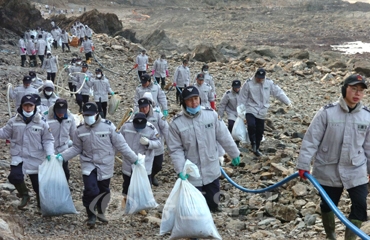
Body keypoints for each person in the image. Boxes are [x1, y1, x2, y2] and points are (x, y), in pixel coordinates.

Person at [297, 74, 370, 240]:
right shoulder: (327, 112)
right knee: (329, 205)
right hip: (328, 169)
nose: (357, 93)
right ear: (345, 89)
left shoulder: (367, 116)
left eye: (361, 90)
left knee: (360, 206)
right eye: (353, 89)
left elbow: (369, 147)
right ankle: (331, 236)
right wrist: (303, 164)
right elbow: (311, 139)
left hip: (356, 169)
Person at [56, 102, 138, 228]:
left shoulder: (109, 127)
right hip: (89, 164)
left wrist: (134, 159)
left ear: (97, 114)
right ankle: (91, 214)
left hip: (105, 164)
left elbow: (121, 145)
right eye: (85, 114)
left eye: (90, 114)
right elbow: (76, 148)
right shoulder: (80, 130)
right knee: (91, 189)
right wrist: (62, 156)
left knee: (104, 190)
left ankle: (101, 211)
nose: (88, 117)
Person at [167, 86, 240, 212]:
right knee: (195, 206)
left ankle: (213, 214)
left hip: (211, 166)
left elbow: (224, 136)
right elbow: (175, 149)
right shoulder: (176, 124)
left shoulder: (211, 115)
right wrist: (180, 169)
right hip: (192, 170)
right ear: (184, 102)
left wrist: (234, 153)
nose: (194, 103)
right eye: (190, 100)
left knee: (213, 202)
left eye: (196, 98)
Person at [0, 94, 54, 209]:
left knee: (37, 184)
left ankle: (41, 204)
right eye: (26, 106)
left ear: (34, 106)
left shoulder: (42, 123)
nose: (28, 108)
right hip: (19, 156)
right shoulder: (14, 121)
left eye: (31, 106)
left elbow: (48, 140)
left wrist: (50, 153)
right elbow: (4, 133)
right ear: (22, 106)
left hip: (36, 157)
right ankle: (25, 195)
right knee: (14, 176)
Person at [238, 68, 291, 156]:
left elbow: (278, 92)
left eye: (261, 78)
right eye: (258, 78)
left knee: (260, 130)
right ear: (255, 76)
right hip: (250, 108)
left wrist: (287, 102)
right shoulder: (248, 84)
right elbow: (242, 98)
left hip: (262, 110)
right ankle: (253, 143)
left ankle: (257, 148)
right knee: (251, 125)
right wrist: (240, 112)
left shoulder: (269, 83)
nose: (259, 80)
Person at [120, 112, 161, 211]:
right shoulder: (126, 126)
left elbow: (159, 143)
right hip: (129, 161)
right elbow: (119, 139)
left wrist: (149, 143)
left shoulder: (151, 129)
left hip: (144, 162)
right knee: (127, 182)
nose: (138, 128)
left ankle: (142, 205)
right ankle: (127, 202)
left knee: (144, 184)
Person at [137, 96, 169, 186]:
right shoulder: (137, 115)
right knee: (146, 166)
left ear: (149, 106)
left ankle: (153, 174)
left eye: (145, 107)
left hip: (157, 144)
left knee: (158, 165)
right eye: (141, 108)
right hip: (143, 147)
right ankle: (149, 178)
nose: (144, 109)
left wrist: (170, 143)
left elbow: (165, 128)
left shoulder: (157, 114)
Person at [44, 99, 76, 181]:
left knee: (65, 172)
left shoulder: (70, 118)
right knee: (50, 171)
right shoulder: (45, 118)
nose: (60, 115)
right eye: (58, 113)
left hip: (63, 148)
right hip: (50, 148)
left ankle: (63, 188)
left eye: (62, 113)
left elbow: (73, 134)